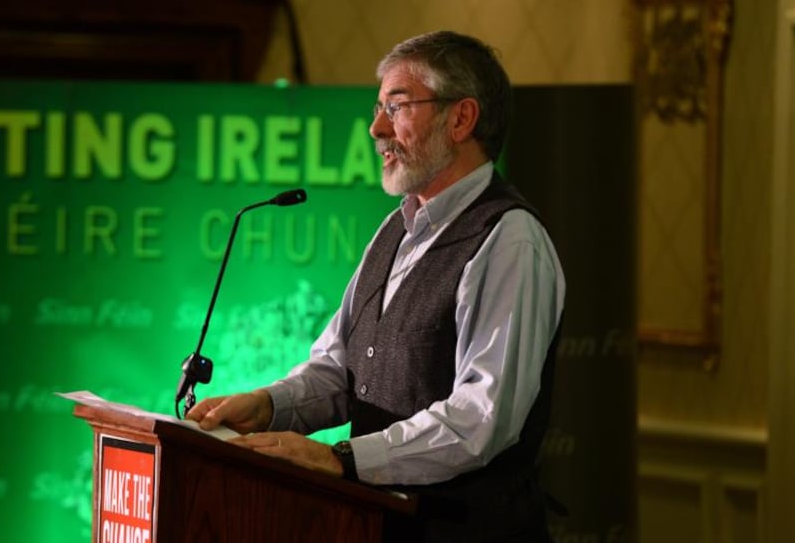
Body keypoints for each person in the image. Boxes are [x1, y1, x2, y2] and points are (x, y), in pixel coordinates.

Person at [186, 30, 566, 542]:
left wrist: (342, 458)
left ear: (461, 119)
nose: (376, 128)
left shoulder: (510, 241)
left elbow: (481, 419)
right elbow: (341, 367)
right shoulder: (396, 230)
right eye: (378, 107)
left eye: (397, 106)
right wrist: (269, 405)